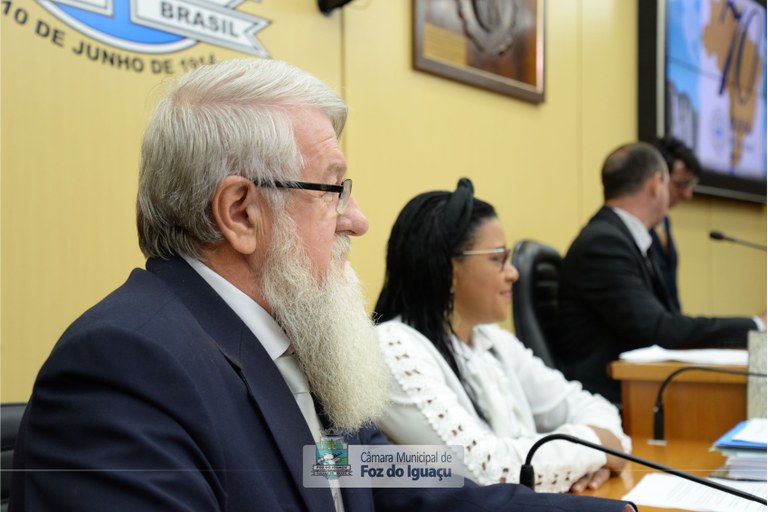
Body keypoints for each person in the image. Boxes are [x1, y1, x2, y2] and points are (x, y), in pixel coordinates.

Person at [9, 59, 634, 512]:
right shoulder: (126, 368)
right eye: (334, 189)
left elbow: (416, 490)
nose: (357, 220)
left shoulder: (301, 341)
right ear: (241, 214)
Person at [373, 178, 631, 494]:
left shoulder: (492, 338)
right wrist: (594, 449)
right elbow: (485, 470)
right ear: (448, 269)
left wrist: (593, 457)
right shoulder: (394, 347)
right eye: (498, 259)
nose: (513, 273)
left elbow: (585, 405)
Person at [554, 141, 762, 404]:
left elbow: (664, 320)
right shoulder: (604, 243)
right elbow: (659, 329)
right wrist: (756, 325)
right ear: (655, 184)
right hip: (611, 396)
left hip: (639, 385)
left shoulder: (628, 237)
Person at [649, 135, 703, 312]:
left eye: (691, 184)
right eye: (682, 184)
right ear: (658, 180)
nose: (688, 194)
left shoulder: (664, 222)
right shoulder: (632, 229)